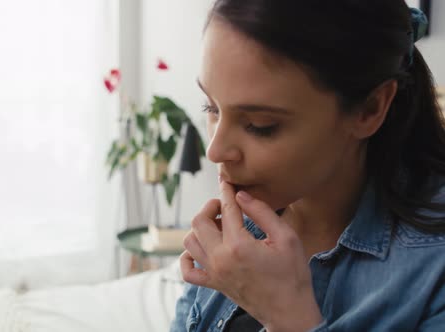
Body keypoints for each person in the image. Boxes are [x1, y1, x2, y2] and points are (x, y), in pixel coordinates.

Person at [170, 1, 445, 331]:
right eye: (211, 107)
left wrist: (287, 317)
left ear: (370, 109)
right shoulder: (231, 237)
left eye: (260, 124)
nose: (215, 151)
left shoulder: (432, 272)